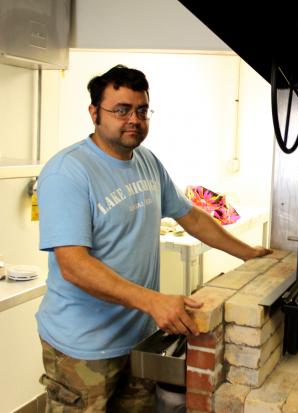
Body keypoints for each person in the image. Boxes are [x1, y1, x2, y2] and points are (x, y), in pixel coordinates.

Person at [35, 64, 271, 412]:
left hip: (137, 338)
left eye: (141, 110)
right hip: (81, 348)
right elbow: (73, 265)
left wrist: (249, 254)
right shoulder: (68, 171)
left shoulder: (147, 162)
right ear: (94, 113)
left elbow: (190, 216)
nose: (133, 119)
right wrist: (152, 301)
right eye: (121, 109)